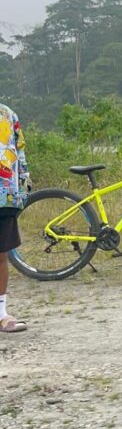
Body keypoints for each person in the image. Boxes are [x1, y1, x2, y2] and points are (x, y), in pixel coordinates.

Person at [0, 103, 30, 334]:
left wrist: (23, 186)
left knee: (1, 256)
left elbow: (19, 152)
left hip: (4, 196)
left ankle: (1, 313)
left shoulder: (8, 114)